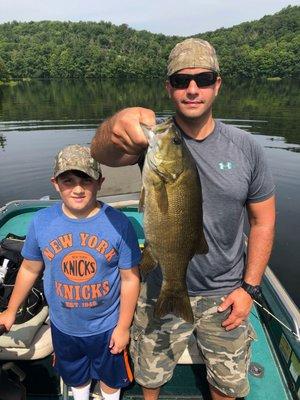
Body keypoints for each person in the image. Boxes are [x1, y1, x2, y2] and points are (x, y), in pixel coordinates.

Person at [90, 38, 276, 400]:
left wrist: (250, 289)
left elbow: (263, 222)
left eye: (203, 78)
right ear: (169, 87)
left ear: (217, 84)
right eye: (180, 80)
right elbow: (101, 151)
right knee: (150, 376)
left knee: (227, 385)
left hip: (225, 292)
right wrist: (117, 124)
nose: (192, 89)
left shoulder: (246, 147)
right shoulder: (154, 141)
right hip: (161, 284)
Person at [0, 144, 141, 400]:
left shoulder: (119, 224)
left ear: (100, 182)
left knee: (111, 381)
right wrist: (11, 311)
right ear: (55, 183)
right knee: (77, 379)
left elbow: (130, 279)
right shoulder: (42, 222)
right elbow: (30, 268)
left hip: (107, 327)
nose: (77, 189)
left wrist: (123, 327)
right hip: (64, 327)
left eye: (86, 180)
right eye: (68, 180)